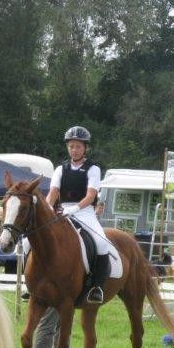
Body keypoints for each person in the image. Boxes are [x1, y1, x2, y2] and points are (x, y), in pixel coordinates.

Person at [46, 126, 108, 303]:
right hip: (61, 210)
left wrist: (74, 209)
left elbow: (91, 196)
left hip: (84, 211)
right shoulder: (60, 168)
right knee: (30, 241)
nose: (74, 150)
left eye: (78, 146)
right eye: (71, 146)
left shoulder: (93, 169)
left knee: (102, 242)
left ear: (85, 148)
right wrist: (47, 208)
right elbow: (53, 192)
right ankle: (33, 282)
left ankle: (96, 286)